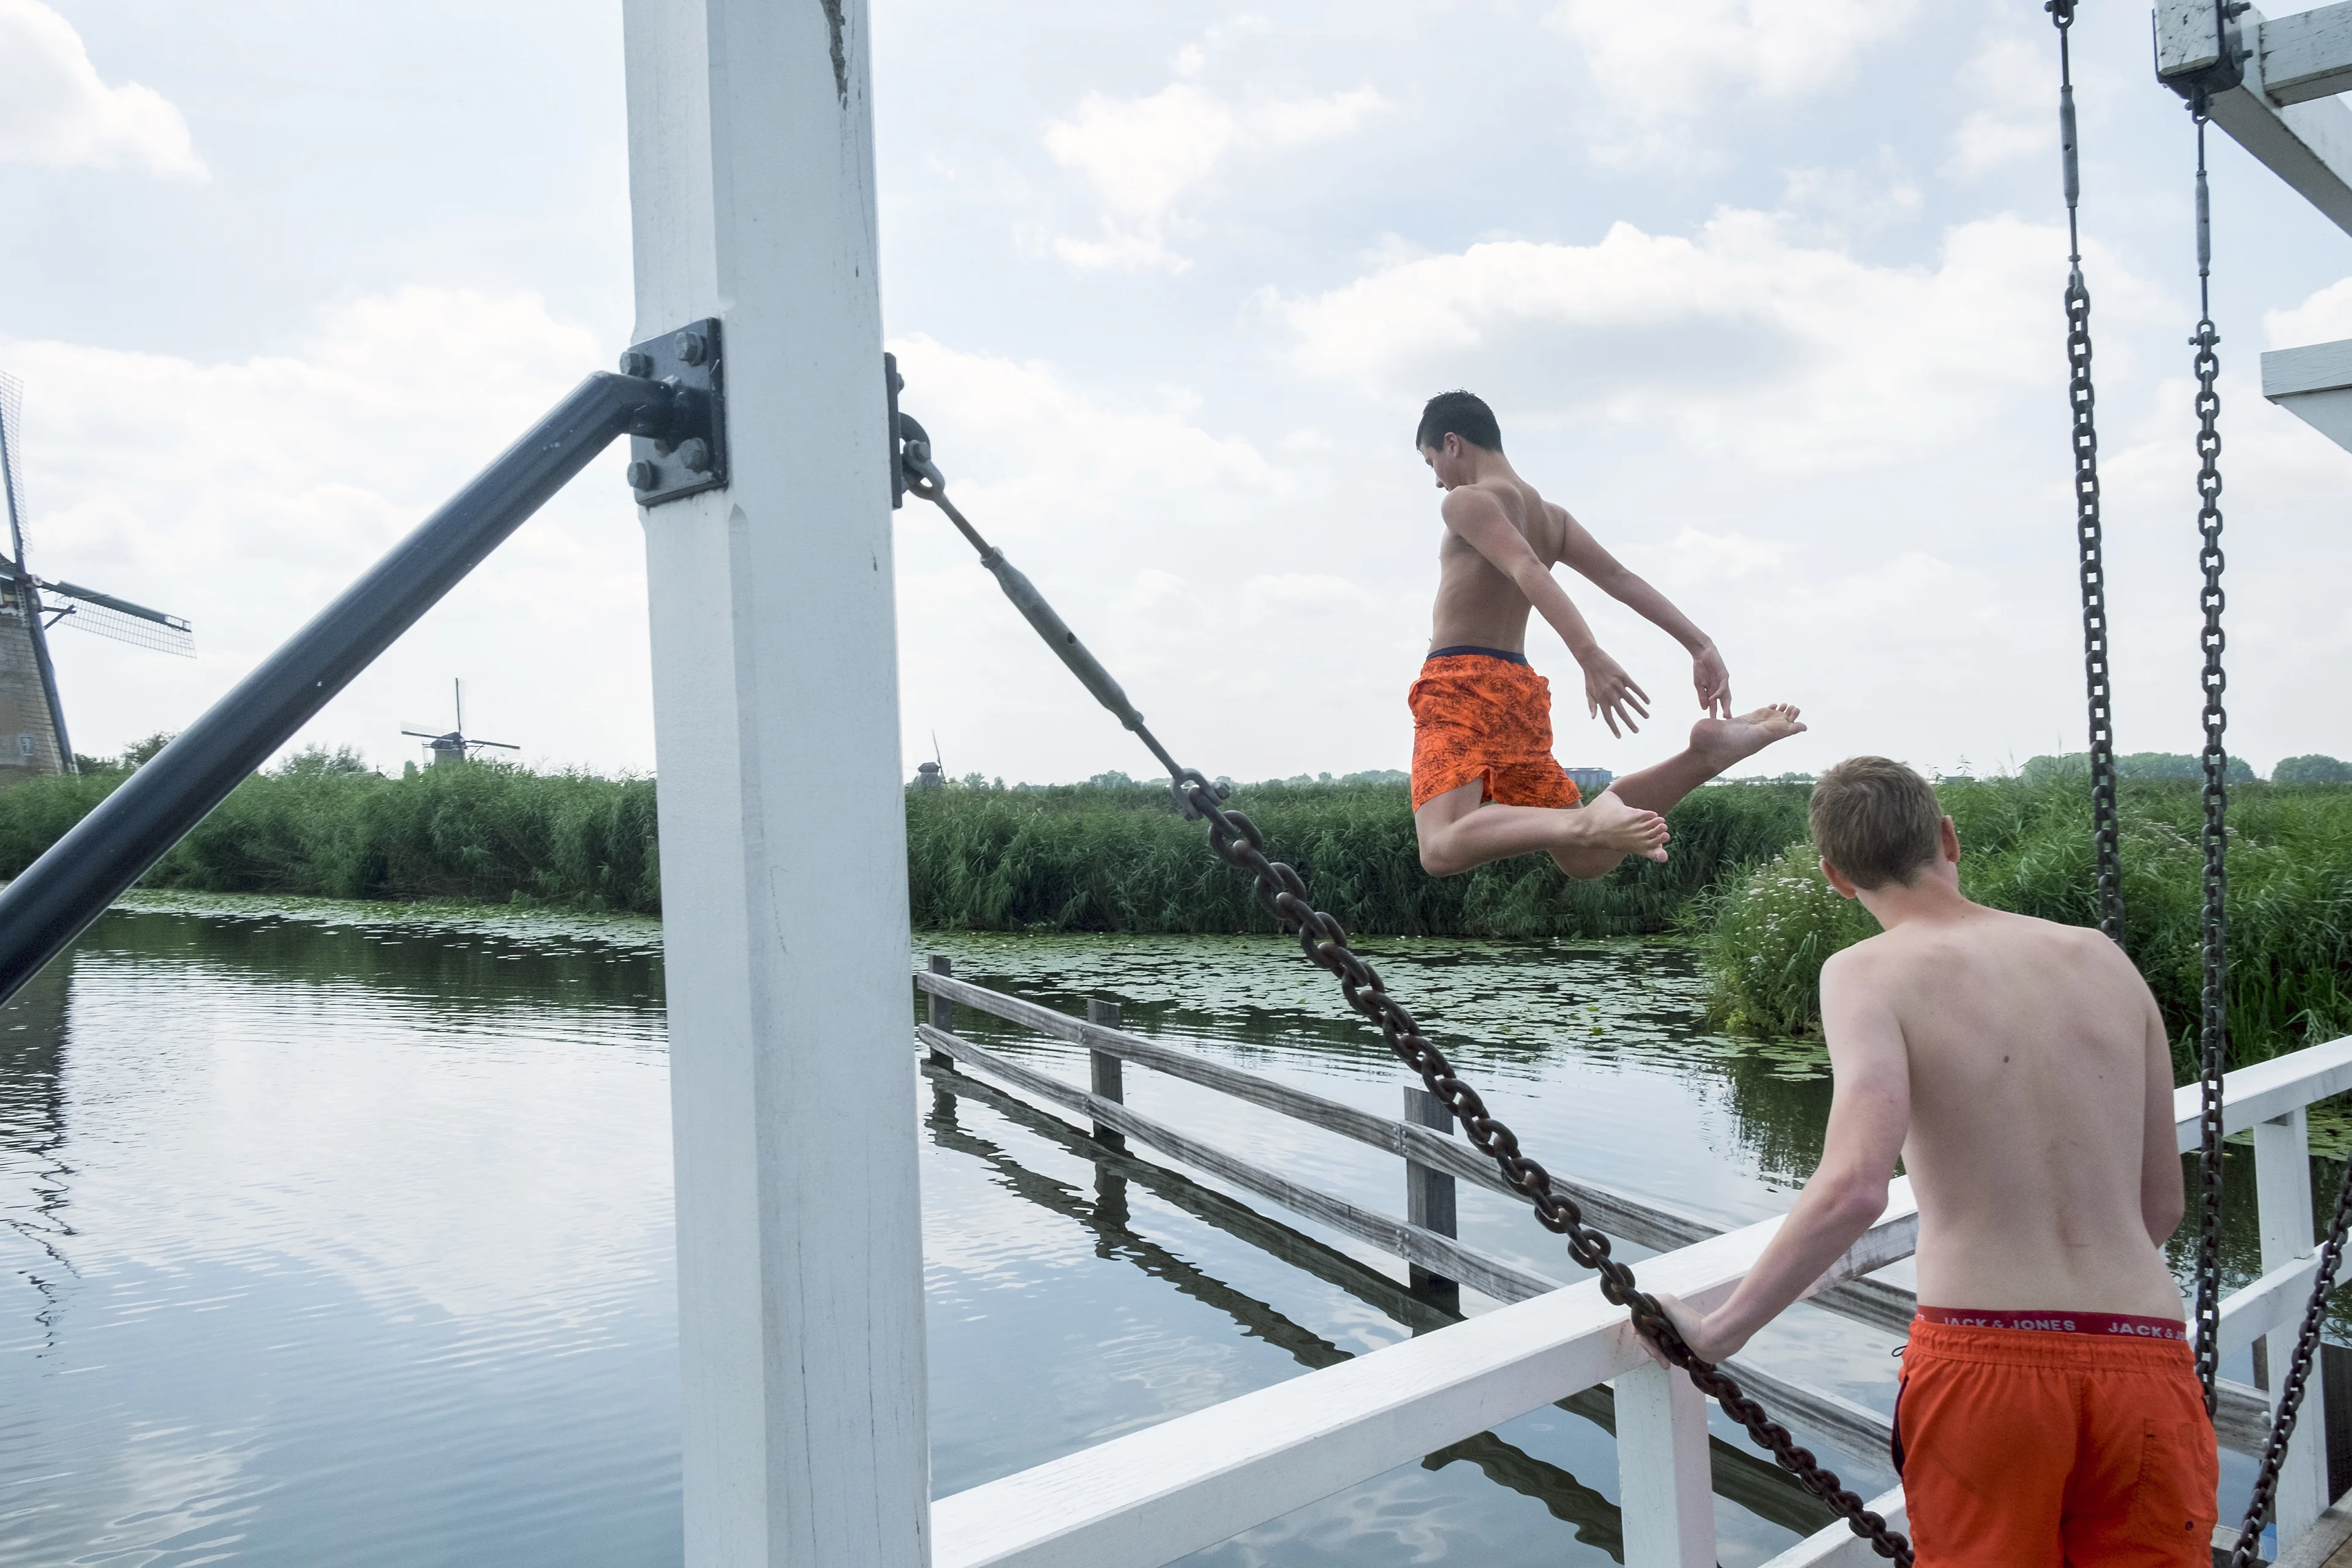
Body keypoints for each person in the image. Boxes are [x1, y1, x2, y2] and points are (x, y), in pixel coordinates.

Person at [1642, 756, 2217, 1565]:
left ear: (1836, 877)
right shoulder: (2102, 958)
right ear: (1947, 838)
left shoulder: (1864, 973)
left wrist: (1723, 1330)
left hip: (1988, 1363)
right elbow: (2162, 1206)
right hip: (2144, 1353)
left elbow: (1854, 1187)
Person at [1408, 390, 1804, 880]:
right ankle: (1702, 757)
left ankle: (1586, 823)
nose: (1439, 482)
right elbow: (1619, 579)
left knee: (1442, 846)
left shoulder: (1467, 502)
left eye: (1432, 464)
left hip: (1461, 683)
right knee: (1587, 858)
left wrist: (1589, 654)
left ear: (1452, 444)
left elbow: (1525, 567)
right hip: (1516, 690)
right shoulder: (1552, 518)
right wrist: (1700, 645)